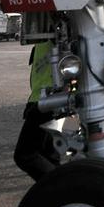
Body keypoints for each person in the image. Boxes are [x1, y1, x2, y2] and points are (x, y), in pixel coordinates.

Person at [14, 40, 63, 181]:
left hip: (48, 101)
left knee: (25, 155)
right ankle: (58, 195)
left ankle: (61, 188)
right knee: (49, 156)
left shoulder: (58, 27)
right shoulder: (44, 35)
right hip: (45, 99)